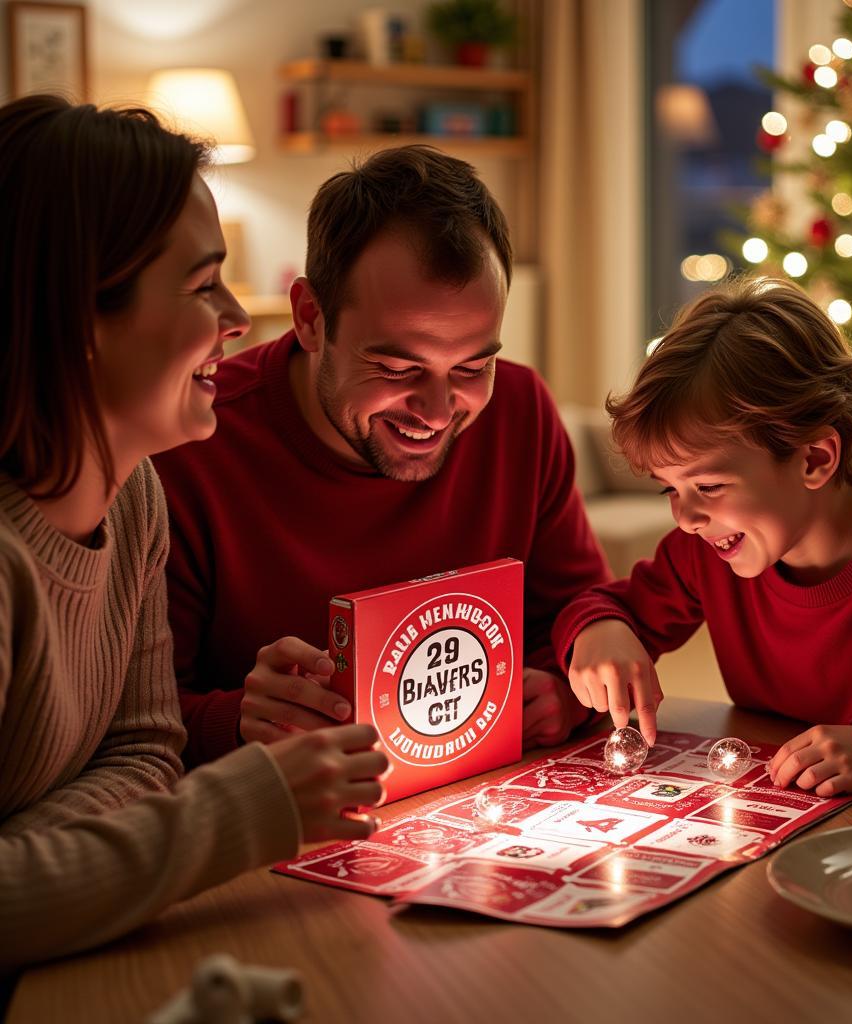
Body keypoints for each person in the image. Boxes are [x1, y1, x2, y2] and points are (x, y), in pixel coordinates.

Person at [0, 96, 389, 970]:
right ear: (77, 319)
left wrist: (32, 860)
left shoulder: (134, 494)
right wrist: (239, 810)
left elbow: (143, 749)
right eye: (200, 284)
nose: (237, 320)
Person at [152, 145, 610, 766]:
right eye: (397, 366)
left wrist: (566, 688)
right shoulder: (189, 443)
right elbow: (134, 721)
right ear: (311, 318)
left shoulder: (522, 409)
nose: (439, 408)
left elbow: (585, 613)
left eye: (474, 365)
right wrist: (233, 722)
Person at [553, 276, 852, 794]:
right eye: (670, 489)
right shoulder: (704, 553)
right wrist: (600, 628)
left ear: (815, 459)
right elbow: (601, 607)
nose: (685, 517)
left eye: (708, 485)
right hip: (778, 815)